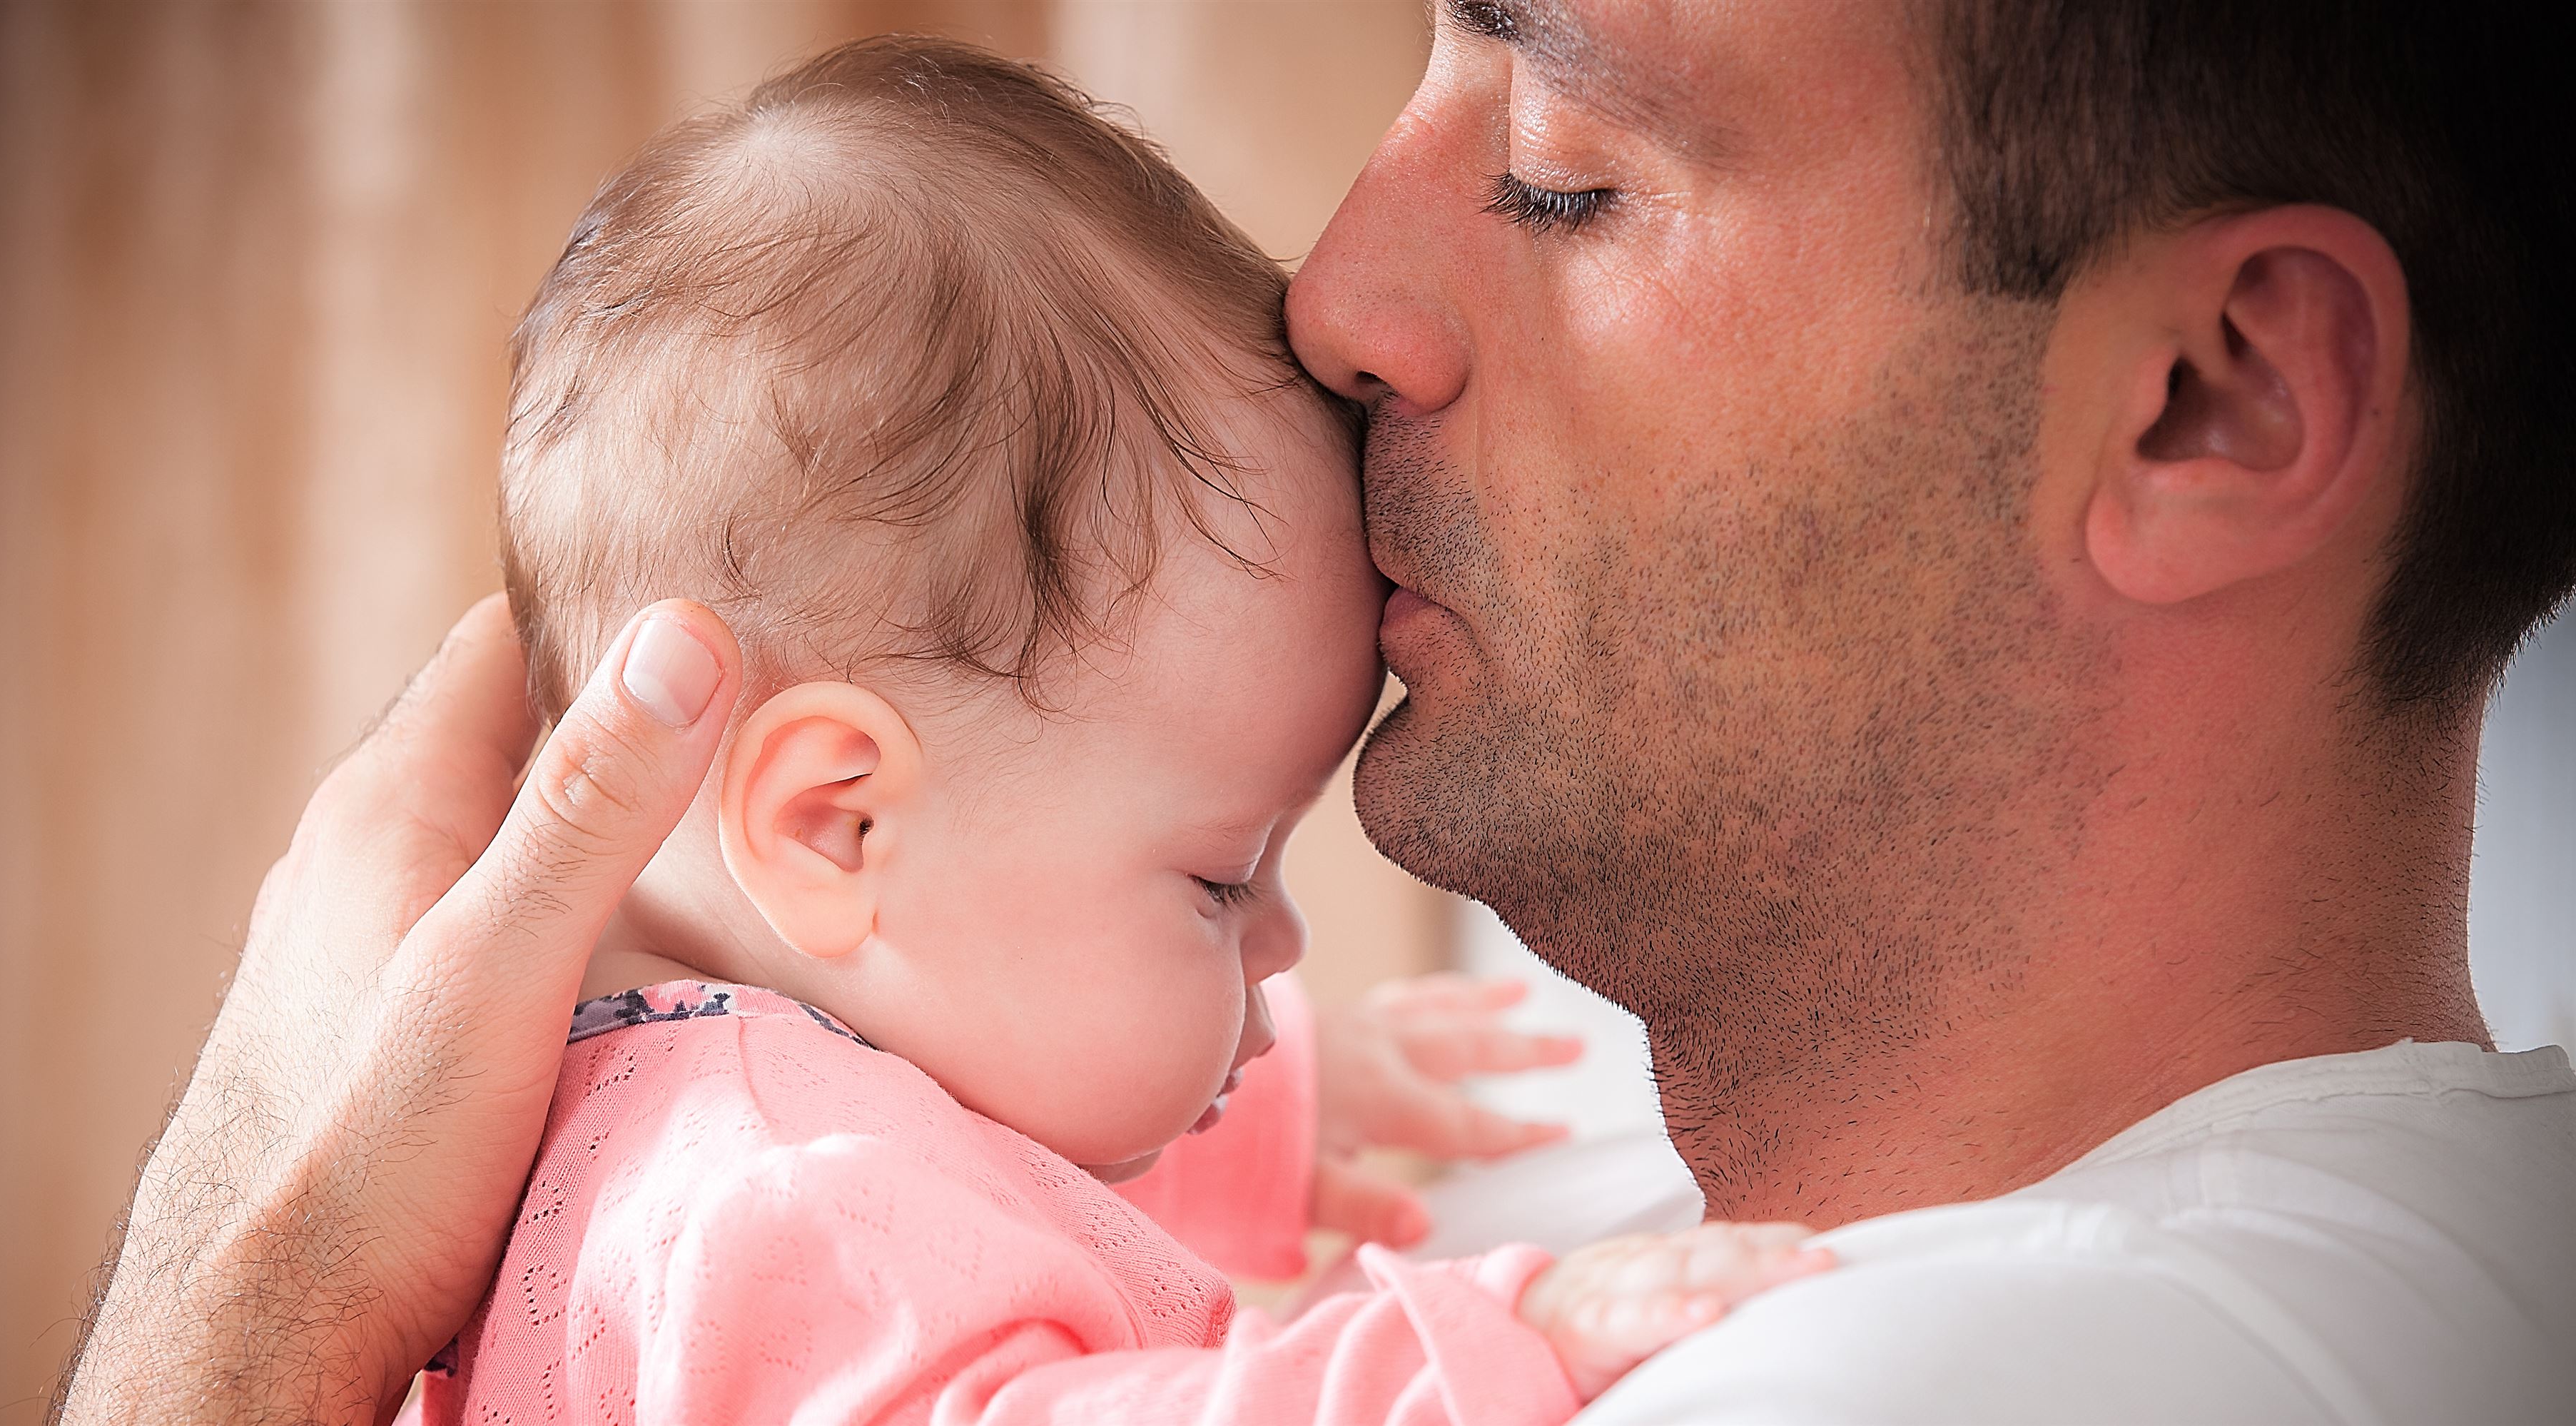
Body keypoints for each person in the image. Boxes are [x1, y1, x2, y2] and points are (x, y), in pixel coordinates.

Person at [56, 1, 2576, 1423]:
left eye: (1573, 165)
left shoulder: (2011, 1372)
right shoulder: (1544, 1181)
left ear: (2208, 402)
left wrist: (239, 1321)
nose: (1342, 291)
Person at [402, 39, 1826, 1425]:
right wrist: (1465, 1358)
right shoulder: (778, 1190)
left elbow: (960, 1186)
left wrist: (1270, 1132)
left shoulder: (660, 1132)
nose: (1281, 948)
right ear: (835, 821)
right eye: (1216, 881)